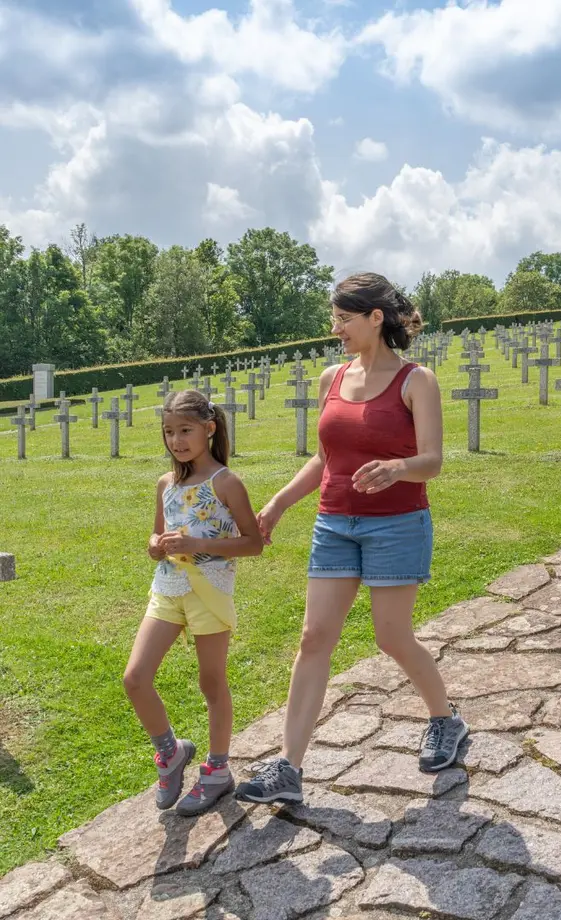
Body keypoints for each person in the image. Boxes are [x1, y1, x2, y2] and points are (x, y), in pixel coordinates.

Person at [235, 272, 467, 807]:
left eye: (343, 319)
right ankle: (288, 766)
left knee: (392, 636)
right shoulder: (331, 378)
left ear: (375, 318)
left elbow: (432, 460)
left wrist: (397, 468)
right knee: (314, 637)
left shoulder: (416, 381)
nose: (335, 329)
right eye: (334, 319)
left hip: (397, 524)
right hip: (334, 523)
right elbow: (324, 458)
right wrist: (279, 503)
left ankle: (445, 719)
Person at [122, 390, 263, 815]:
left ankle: (217, 770)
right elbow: (157, 535)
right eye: (169, 432)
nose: (176, 440)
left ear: (209, 429)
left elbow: (253, 543)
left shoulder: (226, 483)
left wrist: (198, 544)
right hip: (167, 588)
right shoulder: (166, 484)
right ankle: (171, 753)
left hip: (209, 591)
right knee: (135, 678)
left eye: (185, 430)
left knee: (211, 682)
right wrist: (154, 545)